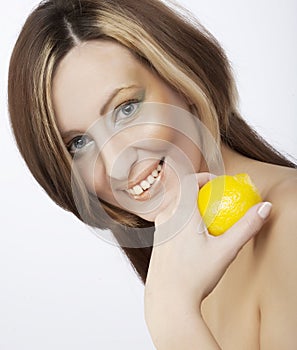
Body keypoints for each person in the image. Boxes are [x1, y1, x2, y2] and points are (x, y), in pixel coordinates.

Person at [8, 0, 297, 348]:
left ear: (184, 79)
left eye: (126, 109)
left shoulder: (290, 224)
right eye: (79, 143)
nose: (116, 161)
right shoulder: (182, 256)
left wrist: (171, 312)